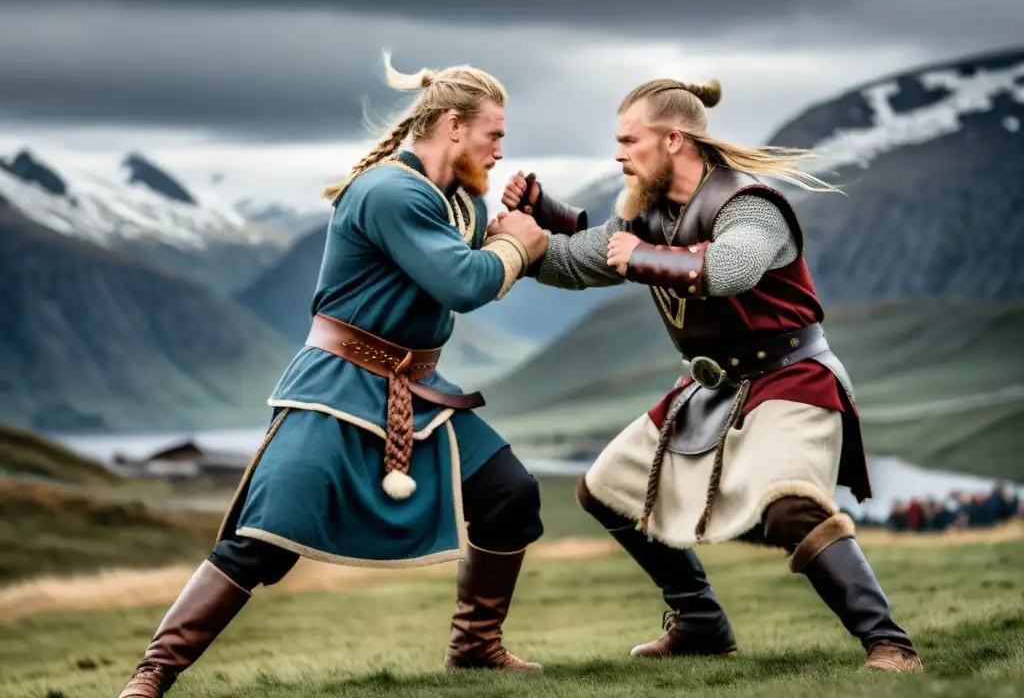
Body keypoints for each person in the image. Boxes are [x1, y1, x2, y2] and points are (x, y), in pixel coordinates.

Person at [118, 53, 551, 698]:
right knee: (263, 539)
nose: (498, 152)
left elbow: (458, 266)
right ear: (455, 126)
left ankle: (475, 649)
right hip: (337, 388)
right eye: (495, 136)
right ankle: (152, 676)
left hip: (415, 394)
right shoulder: (391, 191)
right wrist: (518, 243)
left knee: (509, 494)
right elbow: (464, 283)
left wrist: (499, 231)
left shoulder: (447, 198)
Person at [494, 77, 923, 673]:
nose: (619, 154)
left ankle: (890, 644)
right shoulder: (650, 216)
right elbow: (575, 260)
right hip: (712, 387)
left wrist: (640, 258)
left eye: (629, 140)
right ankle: (699, 622)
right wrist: (518, 240)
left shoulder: (749, 202)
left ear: (674, 140)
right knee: (605, 491)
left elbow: (732, 267)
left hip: (790, 378)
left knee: (791, 508)